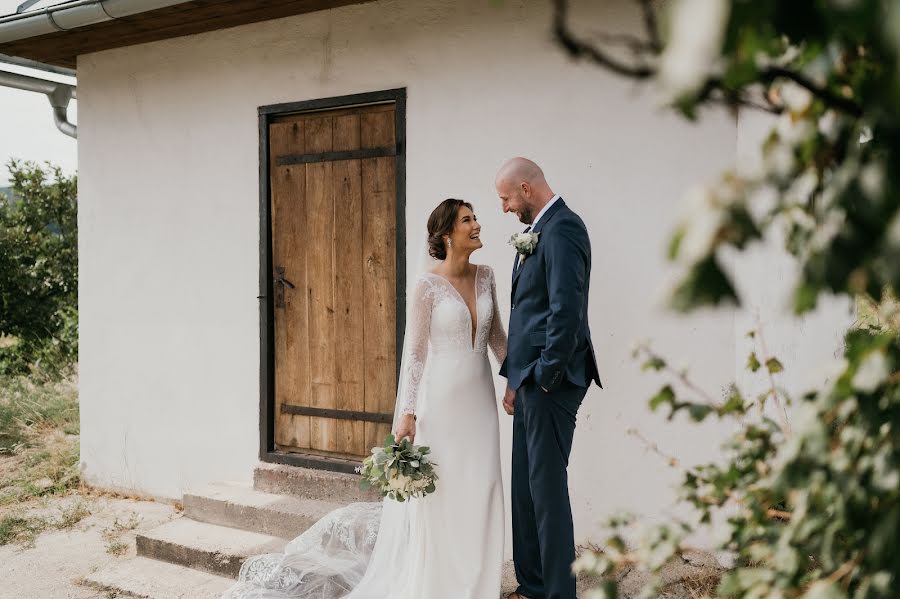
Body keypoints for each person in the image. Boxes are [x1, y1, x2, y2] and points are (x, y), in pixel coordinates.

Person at [223, 198, 508, 599]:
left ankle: (478, 584)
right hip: (440, 405)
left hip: (480, 402)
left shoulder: (487, 276)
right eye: (467, 220)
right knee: (443, 494)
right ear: (446, 234)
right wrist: (407, 412)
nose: (477, 224)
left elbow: (497, 338)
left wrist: (515, 381)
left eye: (475, 217)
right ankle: (442, 584)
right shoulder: (428, 285)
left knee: (483, 486)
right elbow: (415, 352)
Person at [496, 157, 602, 599]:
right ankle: (533, 585)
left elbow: (566, 313)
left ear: (525, 188)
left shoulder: (563, 229)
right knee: (527, 487)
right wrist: (515, 378)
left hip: (552, 384)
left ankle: (558, 593)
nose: (503, 208)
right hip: (530, 381)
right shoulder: (542, 227)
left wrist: (541, 377)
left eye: (505, 198)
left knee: (547, 492)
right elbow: (529, 313)